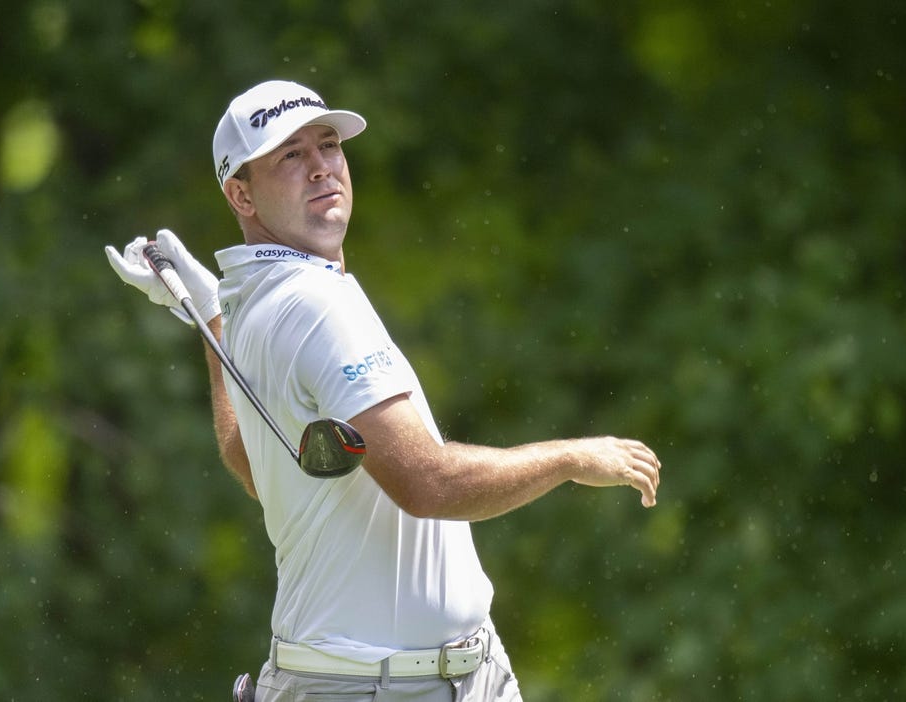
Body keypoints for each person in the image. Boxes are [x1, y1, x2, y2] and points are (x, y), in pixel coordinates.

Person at [106, 79, 662, 701]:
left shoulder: (255, 301)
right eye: (290, 156)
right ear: (241, 193)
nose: (321, 168)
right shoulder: (314, 304)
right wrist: (571, 459)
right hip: (374, 688)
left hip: (444, 677)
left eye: (328, 146)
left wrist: (211, 315)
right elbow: (430, 483)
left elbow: (253, 463)